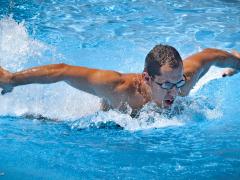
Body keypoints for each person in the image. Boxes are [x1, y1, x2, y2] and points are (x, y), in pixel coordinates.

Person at [0, 44, 240, 115]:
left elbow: (212, 55)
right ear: (147, 78)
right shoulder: (118, 87)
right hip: (108, 126)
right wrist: (12, 79)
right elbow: (63, 70)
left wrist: (236, 64)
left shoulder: (183, 80)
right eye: (166, 85)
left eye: (177, 84)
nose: (174, 92)